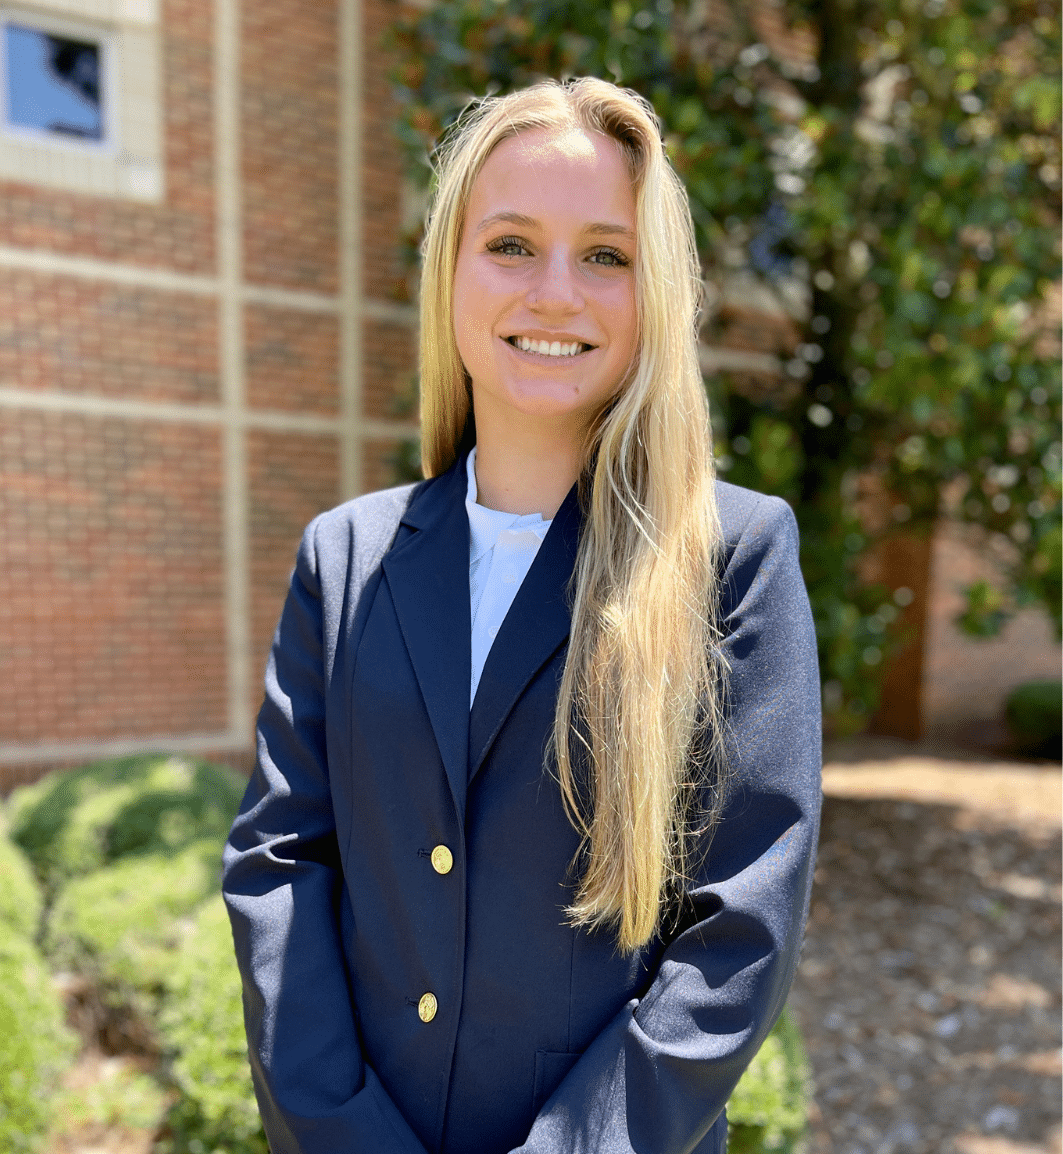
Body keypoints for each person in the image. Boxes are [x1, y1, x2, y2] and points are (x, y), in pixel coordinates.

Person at [222, 77, 821, 1154]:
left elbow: (738, 928)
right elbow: (279, 864)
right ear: (449, 270)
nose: (555, 293)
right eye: (510, 244)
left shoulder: (734, 554)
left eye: (605, 255)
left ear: (657, 294)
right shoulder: (344, 554)